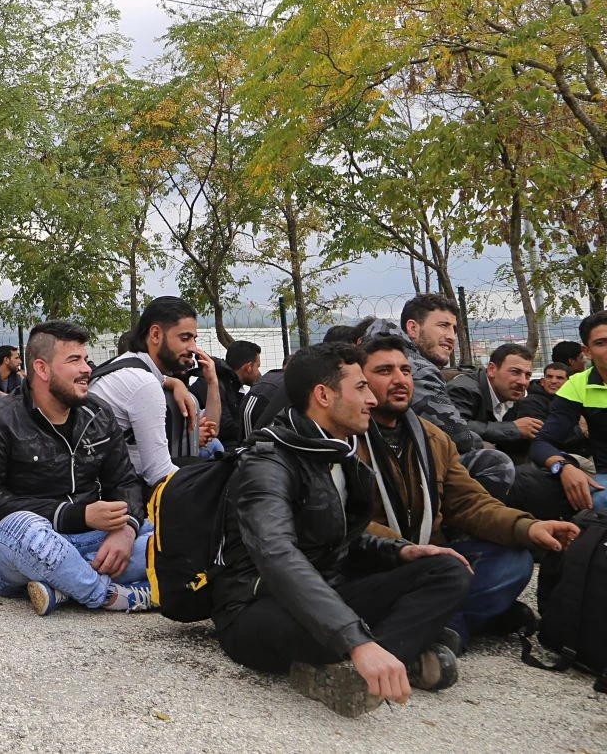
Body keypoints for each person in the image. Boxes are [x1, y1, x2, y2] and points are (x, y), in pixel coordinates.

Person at [212, 342, 472, 717]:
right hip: (258, 607)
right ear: (323, 394)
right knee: (319, 628)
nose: (371, 399)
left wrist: (400, 551)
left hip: (326, 593)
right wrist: (355, 639)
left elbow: (339, 534)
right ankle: (381, 652)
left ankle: (374, 662)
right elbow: (277, 556)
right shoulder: (267, 462)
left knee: (447, 571)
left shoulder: (339, 451)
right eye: (361, 387)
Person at [357, 335, 577, 652]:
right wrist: (406, 550)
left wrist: (529, 527)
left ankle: (441, 625)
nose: (400, 379)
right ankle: (453, 625)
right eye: (384, 371)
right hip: (377, 560)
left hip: (432, 561)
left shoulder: (431, 436)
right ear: (360, 382)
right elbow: (346, 522)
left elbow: (470, 502)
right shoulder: (346, 436)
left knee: (513, 560)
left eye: (405, 370)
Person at [0, 321, 155, 615]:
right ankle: (111, 595)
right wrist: (76, 515)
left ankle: (64, 587)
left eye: (85, 358)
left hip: (89, 541)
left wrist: (127, 530)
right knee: (21, 528)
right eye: (74, 360)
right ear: (42, 369)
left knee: (171, 533)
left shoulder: (99, 415)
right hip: (17, 551)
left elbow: (126, 483)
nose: (87, 369)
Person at [364, 296, 515, 499]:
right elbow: (458, 435)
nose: (451, 336)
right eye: (443, 325)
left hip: (386, 464)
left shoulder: (375, 355)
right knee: (495, 463)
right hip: (395, 473)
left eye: (453, 328)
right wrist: (486, 443)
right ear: (413, 328)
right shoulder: (419, 368)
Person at [87, 296, 214, 488]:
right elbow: (159, 474)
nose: (193, 348)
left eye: (194, 339)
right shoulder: (143, 383)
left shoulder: (126, 366)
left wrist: (173, 383)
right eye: (184, 338)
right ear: (155, 335)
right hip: (113, 496)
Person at [512, 312, 607, 521]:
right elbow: (542, 443)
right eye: (601, 343)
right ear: (587, 351)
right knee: (592, 500)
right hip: (604, 478)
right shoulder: (576, 385)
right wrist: (562, 466)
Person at [446, 344, 545, 461]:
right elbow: (456, 429)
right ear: (492, 370)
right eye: (515, 372)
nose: (523, 381)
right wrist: (512, 428)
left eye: (528, 375)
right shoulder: (464, 389)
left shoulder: (517, 397)